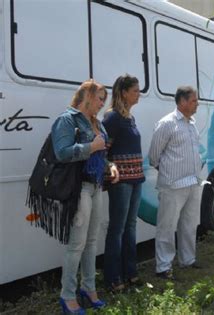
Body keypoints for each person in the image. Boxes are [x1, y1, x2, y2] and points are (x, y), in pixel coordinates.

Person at [52, 80, 119, 314]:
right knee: (76, 245)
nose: (103, 103)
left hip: (96, 186)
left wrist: (110, 166)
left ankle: (88, 290)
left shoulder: (97, 122)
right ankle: (67, 296)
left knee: (91, 243)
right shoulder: (67, 119)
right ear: (87, 96)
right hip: (78, 187)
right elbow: (61, 153)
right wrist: (91, 147)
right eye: (100, 98)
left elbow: (101, 152)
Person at [148, 86, 202, 280]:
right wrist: (168, 172)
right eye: (194, 100)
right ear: (182, 102)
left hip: (193, 183)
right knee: (167, 226)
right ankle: (163, 266)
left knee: (189, 223)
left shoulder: (192, 124)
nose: (197, 103)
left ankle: (188, 259)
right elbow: (154, 156)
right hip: (172, 185)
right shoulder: (167, 123)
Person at [103, 75, 145, 291]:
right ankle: (113, 278)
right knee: (117, 229)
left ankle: (130, 272)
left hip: (136, 179)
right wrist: (112, 168)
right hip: (121, 182)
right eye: (136, 90)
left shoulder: (129, 118)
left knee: (130, 226)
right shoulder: (112, 118)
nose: (139, 93)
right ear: (123, 92)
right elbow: (102, 151)